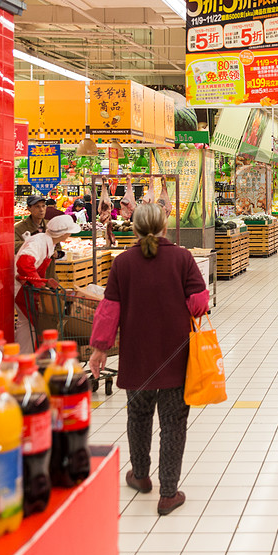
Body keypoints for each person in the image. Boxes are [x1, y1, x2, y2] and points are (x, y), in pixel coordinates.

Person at [88, 203, 209, 515]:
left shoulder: (124, 262)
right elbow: (198, 302)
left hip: (137, 356)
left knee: (138, 416)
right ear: (165, 226)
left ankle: (140, 476)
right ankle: (169, 493)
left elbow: (109, 309)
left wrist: (100, 349)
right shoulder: (182, 258)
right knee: (173, 422)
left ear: (136, 229)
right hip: (175, 355)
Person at [13, 214, 79, 348]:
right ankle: (28, 358)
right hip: (22, 289)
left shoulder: (46, 241)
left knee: (27, 324)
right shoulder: (39, 242)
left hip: (26, 288)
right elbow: (24, 263)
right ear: (64, 234)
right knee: (32, 324)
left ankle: (25, 357)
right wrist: (40, 285)